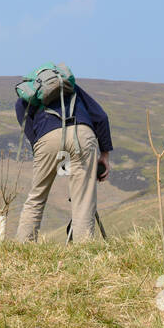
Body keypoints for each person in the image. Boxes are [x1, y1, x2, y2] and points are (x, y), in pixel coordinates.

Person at [14, 77, 112, 242]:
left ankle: (23, 246)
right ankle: (83, 250)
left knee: (37, 196)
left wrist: (39, 147)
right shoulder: (72, 88)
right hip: (81, 134)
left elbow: (24, 118)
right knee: (83, 199)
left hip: (47, 137)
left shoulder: (28, 96)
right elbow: (101, 117)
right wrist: (105, 155)